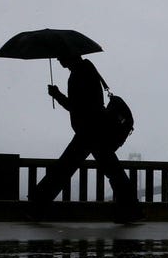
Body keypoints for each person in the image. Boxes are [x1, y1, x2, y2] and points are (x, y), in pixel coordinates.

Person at [28, 54, 142, 223]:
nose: (59, 60)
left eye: (61, 56)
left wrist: (57, 95)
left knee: (65, 167)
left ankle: (37, 204)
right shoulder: (87, 70)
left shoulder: (79, 74)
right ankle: (130, 209)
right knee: (112, 171)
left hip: (89, 131)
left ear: (70, 56)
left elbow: (78, 107)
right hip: (95, 130)